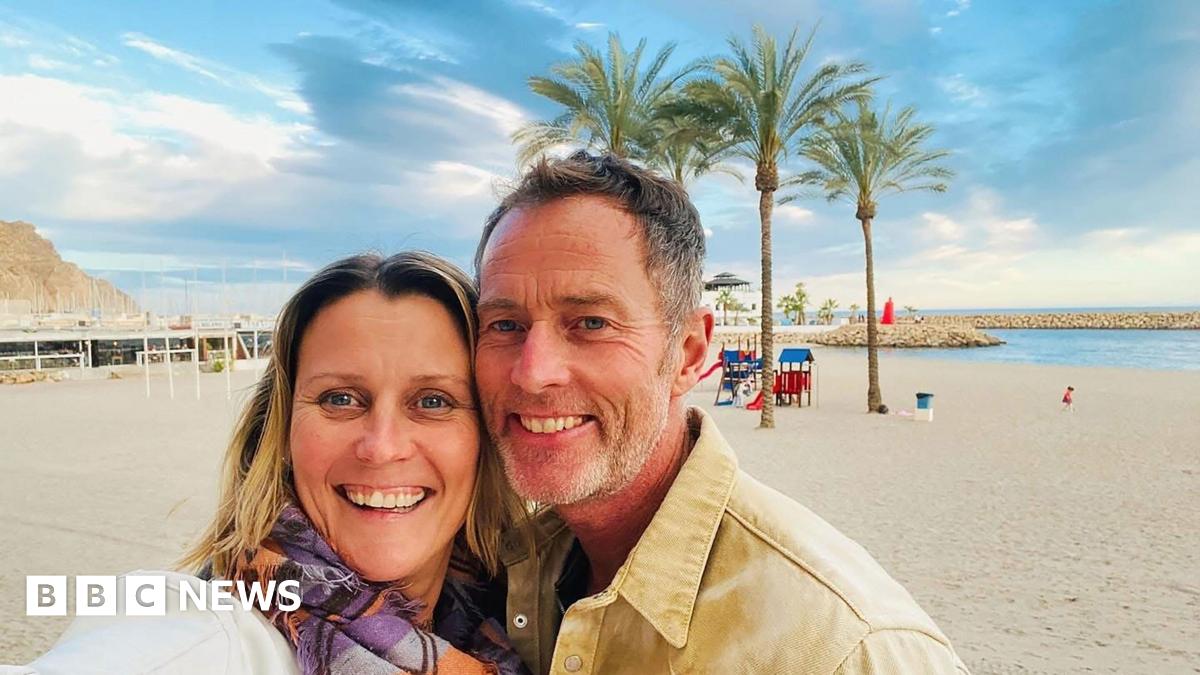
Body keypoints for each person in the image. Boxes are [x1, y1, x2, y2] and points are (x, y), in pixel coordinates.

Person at [473, 151, 969, 674]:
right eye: (505, 325)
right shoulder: (501, 563)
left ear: (688, 353)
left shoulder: (843, 645)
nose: (532, 373)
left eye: (591, 323)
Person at [6, 253, 529, 675]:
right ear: (280, 432)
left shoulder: (510, 626)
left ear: (486, 438)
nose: (382, 447)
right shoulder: (211, 637)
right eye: (340, 399)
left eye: (433, 401)